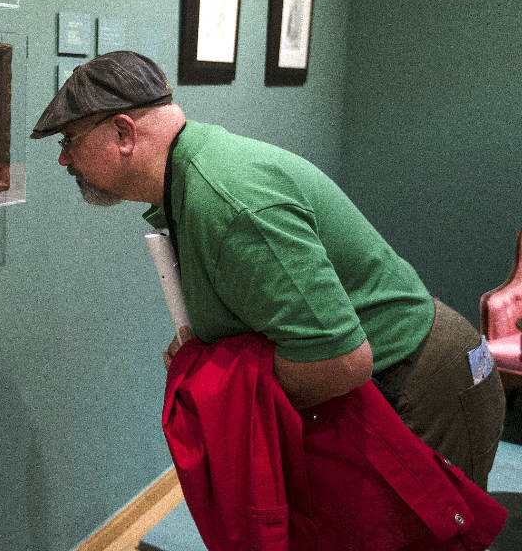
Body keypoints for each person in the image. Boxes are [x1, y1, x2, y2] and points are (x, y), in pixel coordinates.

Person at [31, 50, 506, 488]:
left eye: (71, 139)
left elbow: (340, 361)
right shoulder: (191, 177)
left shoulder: (228, 202)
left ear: (123, 133)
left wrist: (210, 376)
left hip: (423, 383)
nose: (63, 157)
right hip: (391, 380)